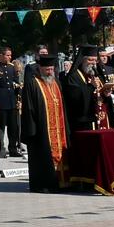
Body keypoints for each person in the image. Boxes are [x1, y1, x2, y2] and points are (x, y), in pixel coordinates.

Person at [21, 54, 70, 193]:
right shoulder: (32, 83)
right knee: (42, 157)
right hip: (41, 131)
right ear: (40, 69)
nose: (49, 72)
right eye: (47, 70)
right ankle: (44, 184)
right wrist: (32, 131)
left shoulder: (56, 82)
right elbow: (28, 109)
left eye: (51, 69)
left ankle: (62, 181)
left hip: (59, 130)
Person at [62, 45, 114, 131]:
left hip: (100, 118)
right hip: (83, 122)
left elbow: (100, 96)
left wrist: (106, 94)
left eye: (95, 60)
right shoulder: (73, 77)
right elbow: (75, 100)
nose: (93, 63)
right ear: (82, 60)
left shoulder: (95, 74)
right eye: (90, 60)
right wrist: (90, 87)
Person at [0, 47, 21, 157]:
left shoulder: (12, 68)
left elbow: (16, 84)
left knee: (13, 127)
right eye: (7, 55)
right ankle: (0, 148)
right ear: (1, 55)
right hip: (1, 102)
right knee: (0, 127)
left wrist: (18, 98)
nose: (9, 57)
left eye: (10, 55)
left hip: (11, 101)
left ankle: (13, 149)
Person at [98, 49, 114, 129]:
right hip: (100, 100)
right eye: (102, 56)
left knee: (112, 120)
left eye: (106, 56)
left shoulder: (110, 68)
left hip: (110, 98)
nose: (104, 58)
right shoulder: (95, 69)